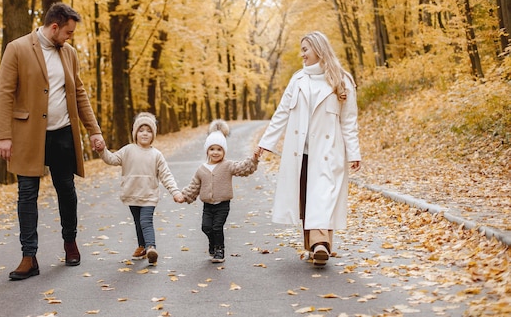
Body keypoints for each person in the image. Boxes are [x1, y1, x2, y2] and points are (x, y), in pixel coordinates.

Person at [0, 2, 106, 280]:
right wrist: (3, 135)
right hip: (27, 136)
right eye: (68, 32)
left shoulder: (69, 53)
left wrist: (94, 129)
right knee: (27, 195)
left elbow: (79, 92)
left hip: (63, 134)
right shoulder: (17, 48)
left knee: (66, 191)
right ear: (54, 27)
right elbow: (4, 94)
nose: (70, 37)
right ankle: (28, 256)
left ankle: (70, 242)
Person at [257, 31, 361, 267]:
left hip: (328, 151)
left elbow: (349, 121)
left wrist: (353, 153)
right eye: (301, 49)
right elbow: (281, 113)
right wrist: (266, 143)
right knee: (306, 199)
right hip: (300, 152)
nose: (301, 54)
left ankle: (320, 245)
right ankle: (315, 247)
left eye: (305, 49)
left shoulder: (342, 80)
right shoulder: (298, 80)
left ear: (318, 49)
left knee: (321, 197)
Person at [94, 112, 184, 265]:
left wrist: (175, 192)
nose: (145, 133)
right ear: (135, 133)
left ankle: (151, 247)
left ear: (153, 135)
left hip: (149, 195)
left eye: (149, 131)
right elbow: (112, 159)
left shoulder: (156, 155)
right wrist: (102, 150)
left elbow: (166, 175)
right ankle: (142, 247)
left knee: (145, 221)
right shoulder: (128, 150)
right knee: (138, 221)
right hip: (132, 194)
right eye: (141, 130)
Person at [182, 119, 260, 263]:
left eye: (219, 149)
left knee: (217, 227)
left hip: (222, 205)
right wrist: (184, 196)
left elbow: (243, 168)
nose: (215, 152)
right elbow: (194, 186)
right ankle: (213, 244)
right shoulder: (202, 169)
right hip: (208, 206)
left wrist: (253, 159)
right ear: (207, 151)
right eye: (212, 149)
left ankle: (220, 251)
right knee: (206, 227)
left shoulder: (228, 165)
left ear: (224, 151)